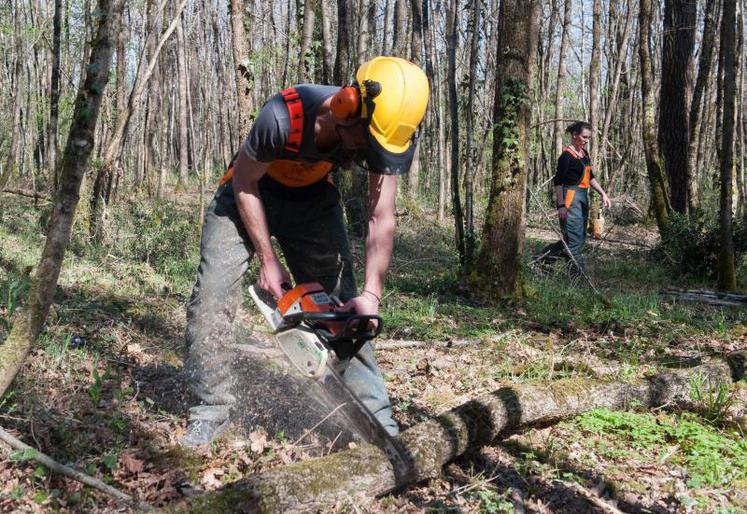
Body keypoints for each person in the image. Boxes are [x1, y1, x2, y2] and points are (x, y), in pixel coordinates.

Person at [180, 56, 430, 447]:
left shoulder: (382, 129)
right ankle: (211, 411)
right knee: (211, 296)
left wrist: (371, 295)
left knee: (345, 310)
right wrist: (268, 259)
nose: (369, 153)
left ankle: (377, 424)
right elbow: (246, 183)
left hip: (312, 200)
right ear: (347, 107)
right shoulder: (283, 115)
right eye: (367, 141)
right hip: (246, 194)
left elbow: (382, 216)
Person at [538, 121, 611, 271]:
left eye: (588, 138)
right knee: (573, 239)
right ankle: (577, 276)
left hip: (583, 199)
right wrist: (561, 206)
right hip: (570, 201)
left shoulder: (585, 154)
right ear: (574, 135)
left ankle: (542, 258)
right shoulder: (566, 156)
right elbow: (558, 182)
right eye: (584, 137)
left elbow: (590, 177)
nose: (586, 140)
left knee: (577, 237)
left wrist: (603, 194)